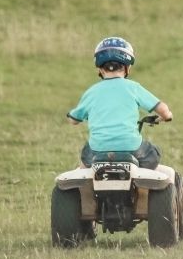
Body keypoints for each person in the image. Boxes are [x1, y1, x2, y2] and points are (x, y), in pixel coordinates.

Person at [67, 37, 173, 169]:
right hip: (132, 148)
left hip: (97, 150)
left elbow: (73, 120)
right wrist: (165, 116)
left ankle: (84, 185)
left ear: (100, 69)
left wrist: (76, 118)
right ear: (128, 67)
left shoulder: (92, 92)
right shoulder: (133, 87)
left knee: (83, 169)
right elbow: (163, 110)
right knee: (153, 154)